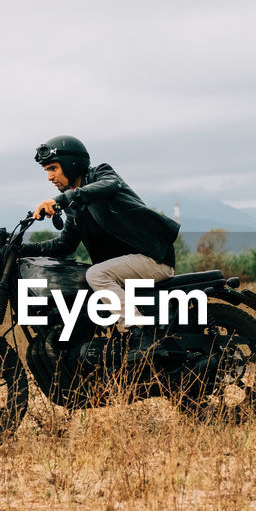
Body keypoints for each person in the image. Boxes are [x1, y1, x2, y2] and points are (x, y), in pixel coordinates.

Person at [29, 135, 180, 351]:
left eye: (53, 168)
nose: (50, 177)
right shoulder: (74, 204)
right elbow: (64, 246)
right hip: (127, 267)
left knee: (96, 274)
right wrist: (20, 248)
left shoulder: (101, 174)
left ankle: (142, 331)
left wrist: (61, 200)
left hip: (153, 258)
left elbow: (110, 185)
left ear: (72, 164)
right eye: (47, 171)